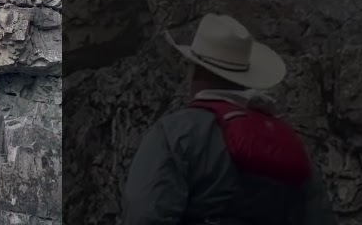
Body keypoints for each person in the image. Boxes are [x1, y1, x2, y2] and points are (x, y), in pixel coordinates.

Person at [121, 14, 339, 225]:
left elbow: (144, 215)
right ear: (246, 78)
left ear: (194, 71)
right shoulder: (287, 141)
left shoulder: (175, 133)